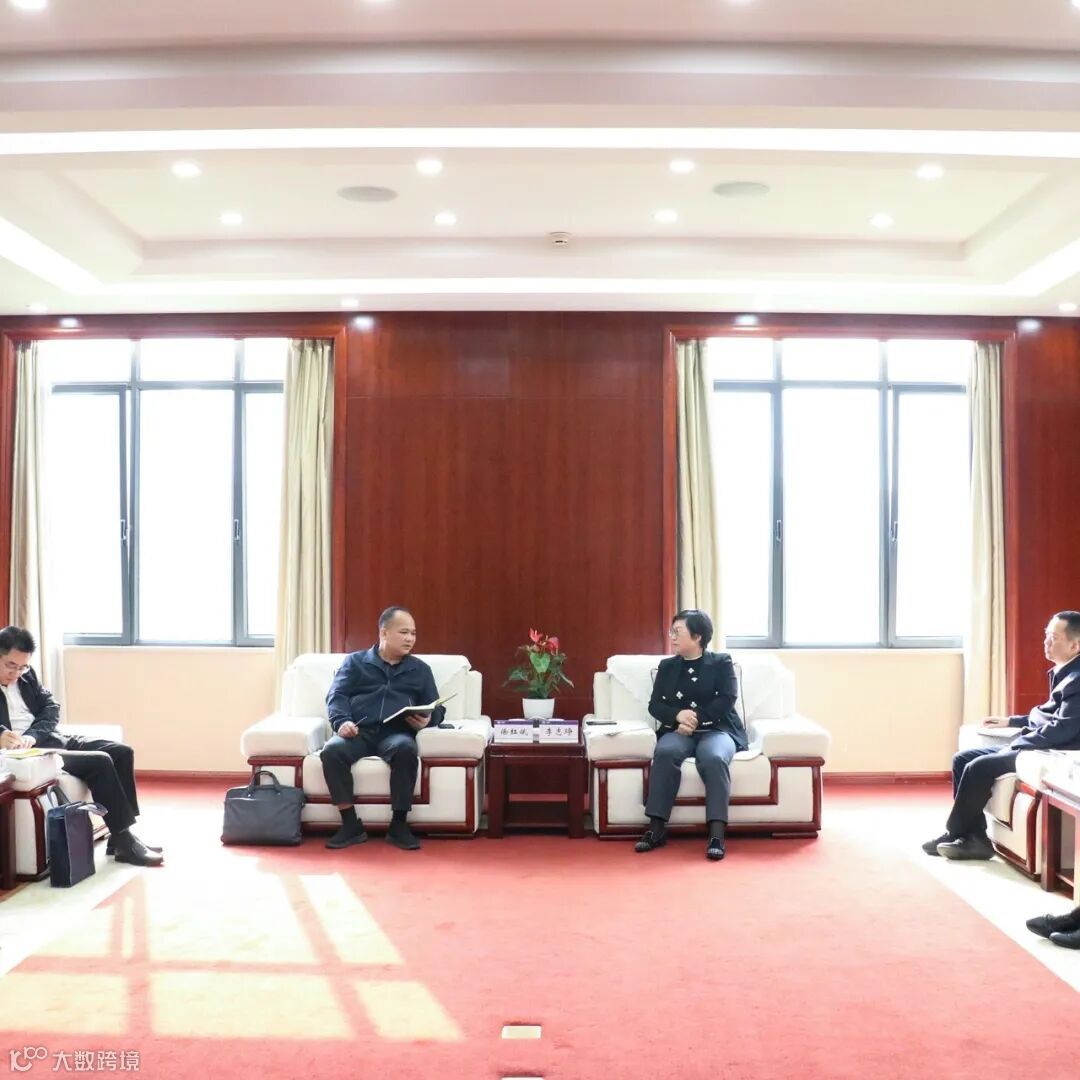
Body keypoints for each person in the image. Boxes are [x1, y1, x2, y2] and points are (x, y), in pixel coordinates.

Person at [0, 625, 162, 867]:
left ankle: (120, 837)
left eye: (23, 667)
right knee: (100, 761)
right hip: (32, 754)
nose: (16, 673)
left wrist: (33, 734)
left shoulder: (26, 675)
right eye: (10, 666)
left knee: (121, 752)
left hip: (46, 739)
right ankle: (124, 839)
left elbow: (51, 708)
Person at [924, 610, 1080, 861]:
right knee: (962, 758)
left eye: (1053, 637)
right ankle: (973, 837)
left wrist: (1020, 742)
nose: (1046, 642)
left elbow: (1063, 729)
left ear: (1075, 645)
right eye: (1046, 635)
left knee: (978, 767)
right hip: (1040, 743)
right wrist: (1012, 721)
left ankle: (956, 833)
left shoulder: (1077, 679)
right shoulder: (1066, 671)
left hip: (1054, 751)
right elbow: (1049, 715)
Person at [321, 606, 446, 852]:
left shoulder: (420, 670)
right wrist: (341, 722)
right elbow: (337, 696)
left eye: (413, 633)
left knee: (406, 749)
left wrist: (429, 720)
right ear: (384, 633)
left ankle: (399, 825)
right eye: (404, 632)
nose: (410, 639)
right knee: (331, 751)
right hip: (359, 732)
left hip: (397, 733)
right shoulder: (355, 662)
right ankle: (350, 825)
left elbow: (437, 707)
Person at [635, 609, 748, 861]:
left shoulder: (721, 663)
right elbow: (655, 705)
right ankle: (656, 828)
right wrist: (678, 715)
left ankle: (716, 833)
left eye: (678, 632)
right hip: (678, 730)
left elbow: (727, 699)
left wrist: (694, 719)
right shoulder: (667, 667)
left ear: (697, 636)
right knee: (666, 752)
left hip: (717, 729)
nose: (672, 637)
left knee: (714, 758)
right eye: (671, 632)